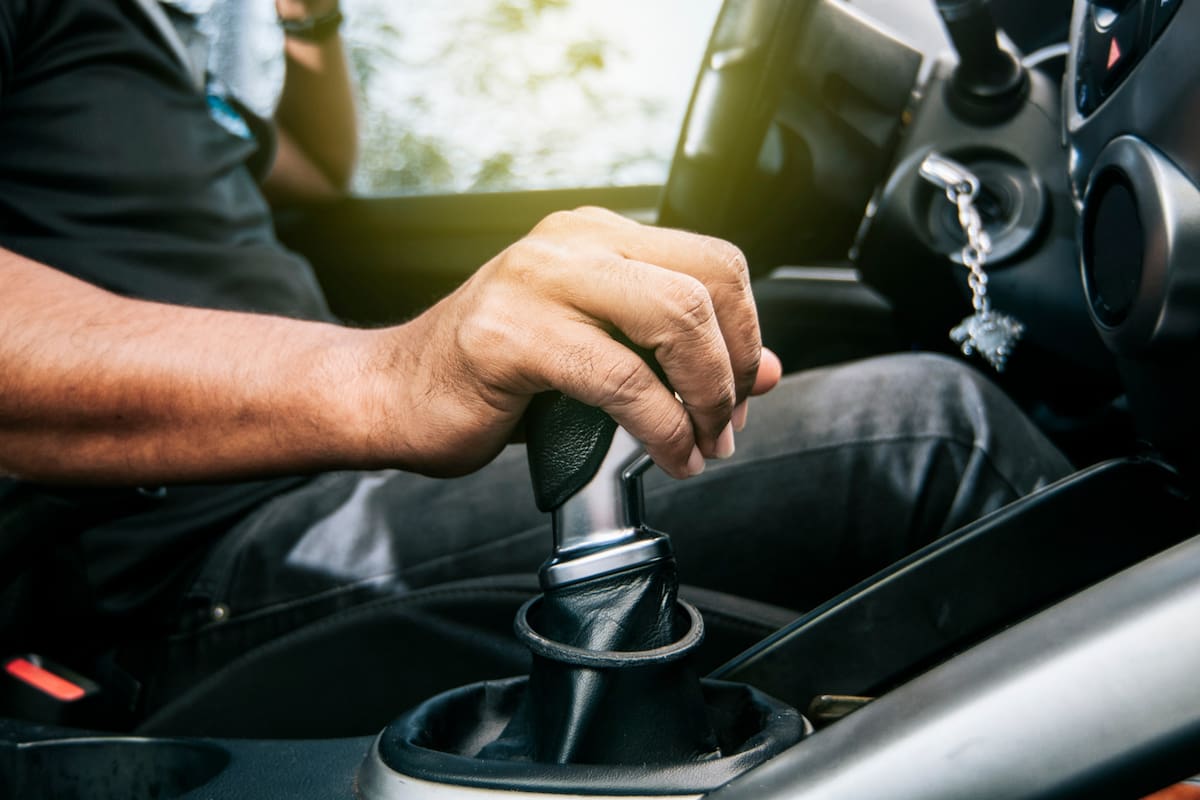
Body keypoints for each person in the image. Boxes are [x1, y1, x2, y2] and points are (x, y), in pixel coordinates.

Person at [0, 0, 1071, 712]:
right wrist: (389, 377)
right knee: (931, 433)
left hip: (313, 484)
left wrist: (309, 19)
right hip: (197, 562)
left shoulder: (159, 43)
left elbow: (317, 169)